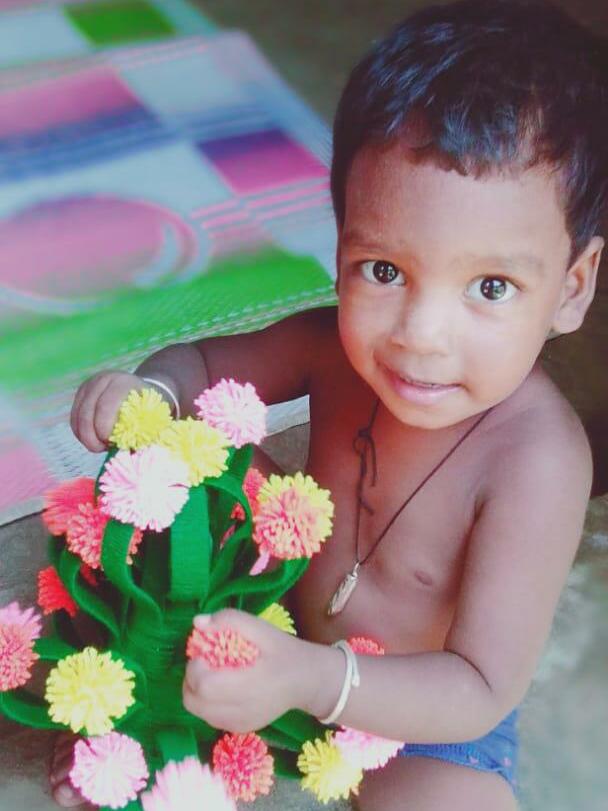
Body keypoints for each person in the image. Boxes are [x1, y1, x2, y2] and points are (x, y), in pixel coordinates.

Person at [49, 1, 607, 808]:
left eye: (491, 286)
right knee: (169, 480)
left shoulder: (539, 459)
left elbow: (479, 684)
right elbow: (197, 367)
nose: (420, 336)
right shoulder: (330, 348)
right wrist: (148, 394)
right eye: (384, 270)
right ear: (341, 239)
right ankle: (135, 725)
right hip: (263, 612)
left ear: (573, 288)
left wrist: (308, 679)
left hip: (420, 710)